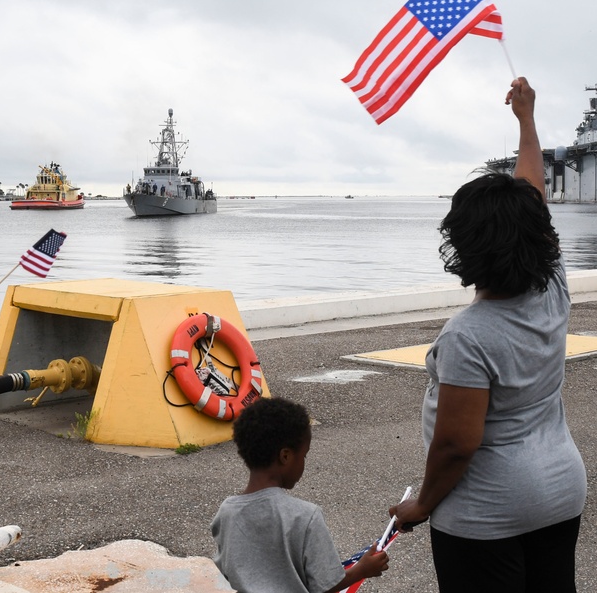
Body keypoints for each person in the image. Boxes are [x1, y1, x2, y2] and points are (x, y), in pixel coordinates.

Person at [390, 77, 587, 592]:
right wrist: (527, 121)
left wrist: (422, 505)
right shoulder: (553, 282)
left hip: (486, 515)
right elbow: (531, 195)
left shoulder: (468, 337)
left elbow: (456, 444)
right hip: (560, 491)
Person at [211, 396, 389, 593]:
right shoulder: (305, 516)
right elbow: (326, 586)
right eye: (303, 455)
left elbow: (225, 572)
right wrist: (362, 569)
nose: (304, 463)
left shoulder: (227, 511)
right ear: (285, 456)